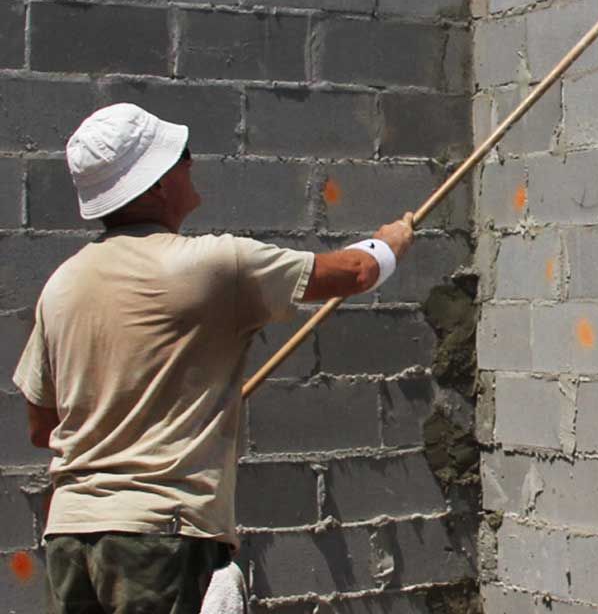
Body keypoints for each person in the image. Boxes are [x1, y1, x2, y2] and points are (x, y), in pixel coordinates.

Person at [12, 103, 416, 614]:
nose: (190, 165)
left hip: (71, 537)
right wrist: (392, 243)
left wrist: (140, 417)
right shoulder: (210, 265)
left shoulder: (63, 285)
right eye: (181, 157)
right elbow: (353, 272)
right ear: (156, 183)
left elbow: (41, 425)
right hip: (160, 536)